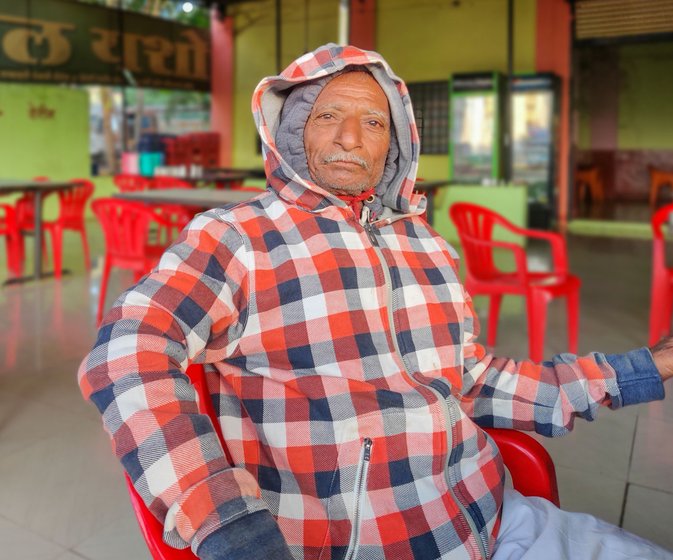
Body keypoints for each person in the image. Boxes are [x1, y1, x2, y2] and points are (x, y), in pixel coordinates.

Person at [78, 43, 673, 560]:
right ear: (292, 128)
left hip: (493, 520)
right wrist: (223, 515)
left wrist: (639, 370)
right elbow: (127, 352)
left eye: (373, 122)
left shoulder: (427, 245)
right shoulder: (237, 238)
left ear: (394, 144)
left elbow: (474, 383)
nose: (348, 138)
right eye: (327, 114)